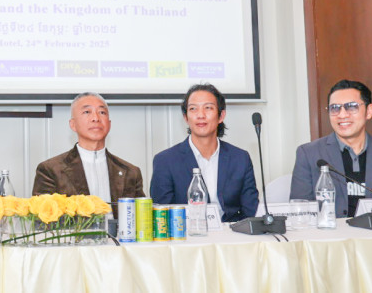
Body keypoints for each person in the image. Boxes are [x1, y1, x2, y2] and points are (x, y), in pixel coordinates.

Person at [290, 79, 372, 217]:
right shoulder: (309, 154)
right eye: (335, 108)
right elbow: (300, 213)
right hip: (330, 231)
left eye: (352, 107)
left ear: (369, 111)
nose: (342, 115)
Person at [149, 84, 258, 221]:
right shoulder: (165, 161)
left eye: (208, 108)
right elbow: (162, 216)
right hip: (186, 232)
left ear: (221, 116)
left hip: (232, 231)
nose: (200, 115)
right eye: (193, 109)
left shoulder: (240, 158)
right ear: (186, 117)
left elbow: (250, 211)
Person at [32, 92, 144, 211]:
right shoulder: (50, 170)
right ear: (73, 125)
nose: (96, 118)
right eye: (87, 112)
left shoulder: (131, 172)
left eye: (102, 112)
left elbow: (142, 216)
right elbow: (43, 216)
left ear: (109, 124)